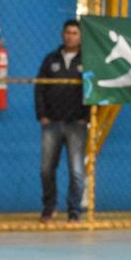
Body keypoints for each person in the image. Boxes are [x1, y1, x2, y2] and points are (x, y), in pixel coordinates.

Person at [34, 19, 89, 223]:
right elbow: (39, 88)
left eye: (75, 33)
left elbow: (94, 90)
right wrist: (42, 115)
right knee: (46, 168)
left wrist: (86, 117)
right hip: (52, 123)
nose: (71, 36)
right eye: (68, 32)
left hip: (77, 123)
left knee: (76, 170)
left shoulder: (88, 60)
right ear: (62, 34)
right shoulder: (51, 60)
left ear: (80, 36)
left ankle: (74, 210)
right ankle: (49, 208)